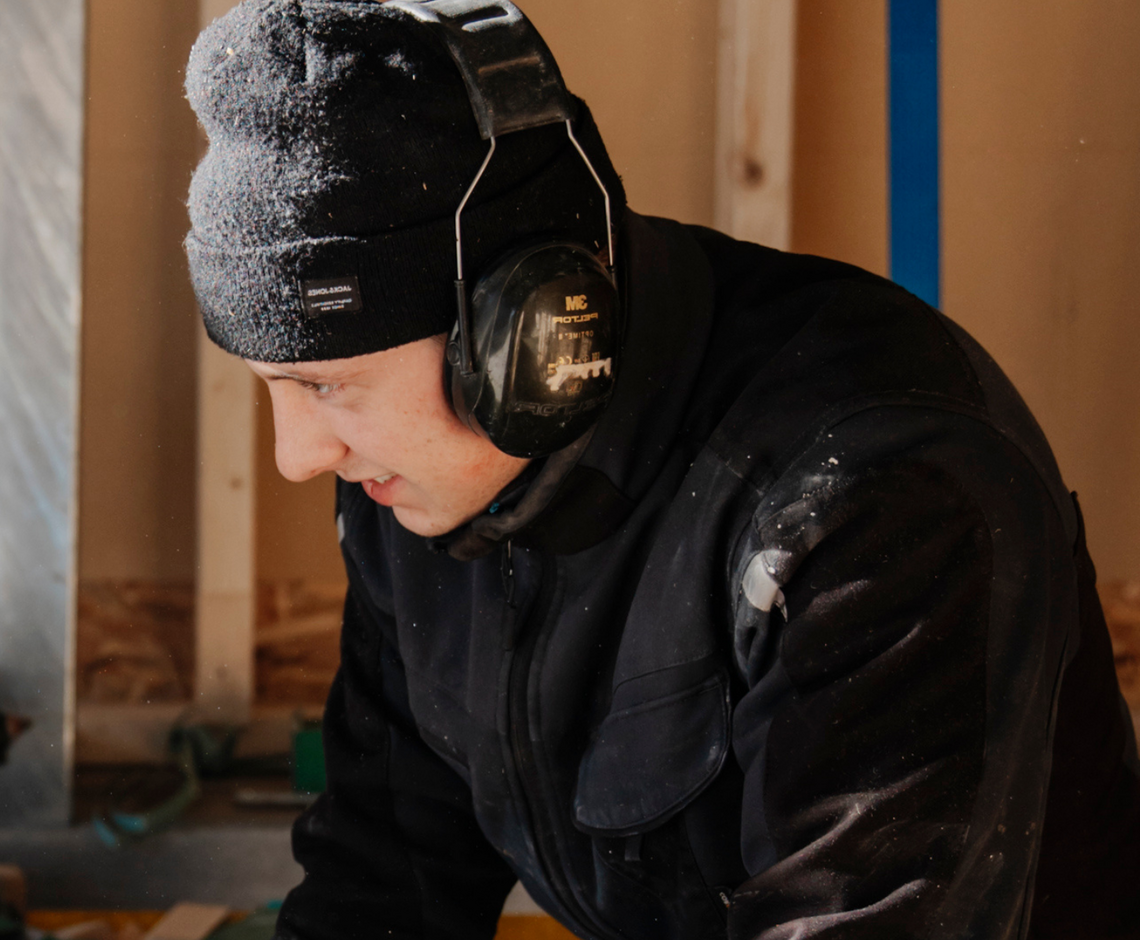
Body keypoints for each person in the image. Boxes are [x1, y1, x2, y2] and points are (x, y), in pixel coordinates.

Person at [180, 2, 1140, 937]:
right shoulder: (430, 485)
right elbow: (383, 879)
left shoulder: (878, 497)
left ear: (533, 341)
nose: (299, 457)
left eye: (327, 387)